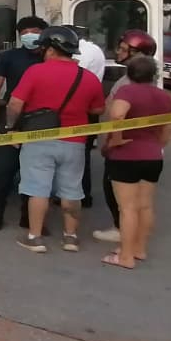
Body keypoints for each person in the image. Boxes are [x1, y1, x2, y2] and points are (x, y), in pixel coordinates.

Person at [5, 26, 106, 253]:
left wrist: (11, 128)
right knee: (72, 191)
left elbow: (15, 104)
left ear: (50, 50)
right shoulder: (87, 77)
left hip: (38, 139)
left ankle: (35, 237)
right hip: (74, 142)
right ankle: (70, 238)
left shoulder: (35, 72)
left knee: (38, 189)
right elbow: (99, 108)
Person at [99, 54, 171, 269]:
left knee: (127, 208)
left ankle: (125, 257)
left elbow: (117, 115)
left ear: (129, 73)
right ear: (154, 74)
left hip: (126, 156)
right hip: (153, 155)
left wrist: (117, 139)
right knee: (145, 206)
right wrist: (158, 143)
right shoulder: (164, 97)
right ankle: (139, 249)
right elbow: (167, 128)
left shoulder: (127, 91)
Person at [0, 15, 47, 231]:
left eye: (34, 31)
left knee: (36, 171)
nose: (29, 36)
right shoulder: (10, 57)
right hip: (11, 116)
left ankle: (28, 218)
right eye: (24, 33)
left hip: (41, 119)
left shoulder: (50, 58)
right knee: (4, 169)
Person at [93, 29, 159, 243]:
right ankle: (138, 239)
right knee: (143, 201)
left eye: (123, 49)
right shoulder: (152, 86)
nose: (118, 52)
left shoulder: (129, 84)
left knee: (118, 195)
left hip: (124, 149)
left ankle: (121, 230)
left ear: (136, 52)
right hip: (149, 149)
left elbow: (118, 116)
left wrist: (113, 142)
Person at [72, 27, 108, 207]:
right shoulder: (95, 49)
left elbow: (73, 75)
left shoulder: (83, 53)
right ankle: (83, 194)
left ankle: (81, 195)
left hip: (81, 107)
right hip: (89, 105)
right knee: (83, 153)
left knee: (79, 155)